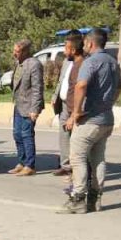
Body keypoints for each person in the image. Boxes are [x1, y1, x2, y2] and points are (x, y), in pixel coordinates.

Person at [59, 29, 121, 214]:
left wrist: (76, 113)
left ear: (91, 44)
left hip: (90, 120)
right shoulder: (112, 62)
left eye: (85, 43)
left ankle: (78, 199)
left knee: (77, 158)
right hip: (106, 119)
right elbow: (119, 87)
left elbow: (81, 85)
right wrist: (108, 103)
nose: (84, 46)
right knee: (98, 159)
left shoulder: (90, 62)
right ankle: (95, 198)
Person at [51, 32, 85, 178]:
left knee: (76, 138)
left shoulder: (84, 63)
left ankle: (78, 169)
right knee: (63, 135)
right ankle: (65, 166)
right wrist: (55, 96)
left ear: (73, 49)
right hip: (64, 103)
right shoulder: (67, 62)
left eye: (66, 48)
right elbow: (61, 80)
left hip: (76, 105)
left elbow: (82, 86)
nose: (64, 51)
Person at [9, 39, 43, 176]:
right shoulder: (19, 63)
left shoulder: (34, 64)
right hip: (19, 104)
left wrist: (35, 109)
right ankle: (22, 162)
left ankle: (30, 165)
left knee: (27, 135)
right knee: (17, 134)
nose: (14, 54)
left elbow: (37, 88)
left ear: (25, 51)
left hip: (29, 106)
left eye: (17, 51)